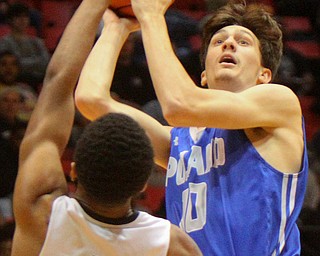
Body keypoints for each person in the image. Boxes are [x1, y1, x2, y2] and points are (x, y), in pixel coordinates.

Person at [75, 0, 309, 255]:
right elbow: (91, 99)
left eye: (243, 42)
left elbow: (179, 105)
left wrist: (152, 17)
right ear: (204, 76)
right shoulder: (177, 142)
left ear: (264, 76)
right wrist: (115, 26)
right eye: (218, 42)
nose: (229, 43)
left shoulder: (280, 103)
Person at [11, 1, 202, 256]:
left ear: (74, 171)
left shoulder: (41, 214)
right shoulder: (172, 245)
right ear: (143, 186)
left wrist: (96, 4)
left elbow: (57, 80)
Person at [0, 2, 50, 88]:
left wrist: (23, 63)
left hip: (39, 80)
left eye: (25, 16)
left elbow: (46, 63)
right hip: (15, 83)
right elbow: (13, 66)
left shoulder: (37, 42)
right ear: (10, 20)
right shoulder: (4, 43)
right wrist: (36, 62)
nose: (22, 20)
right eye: (18, 17)